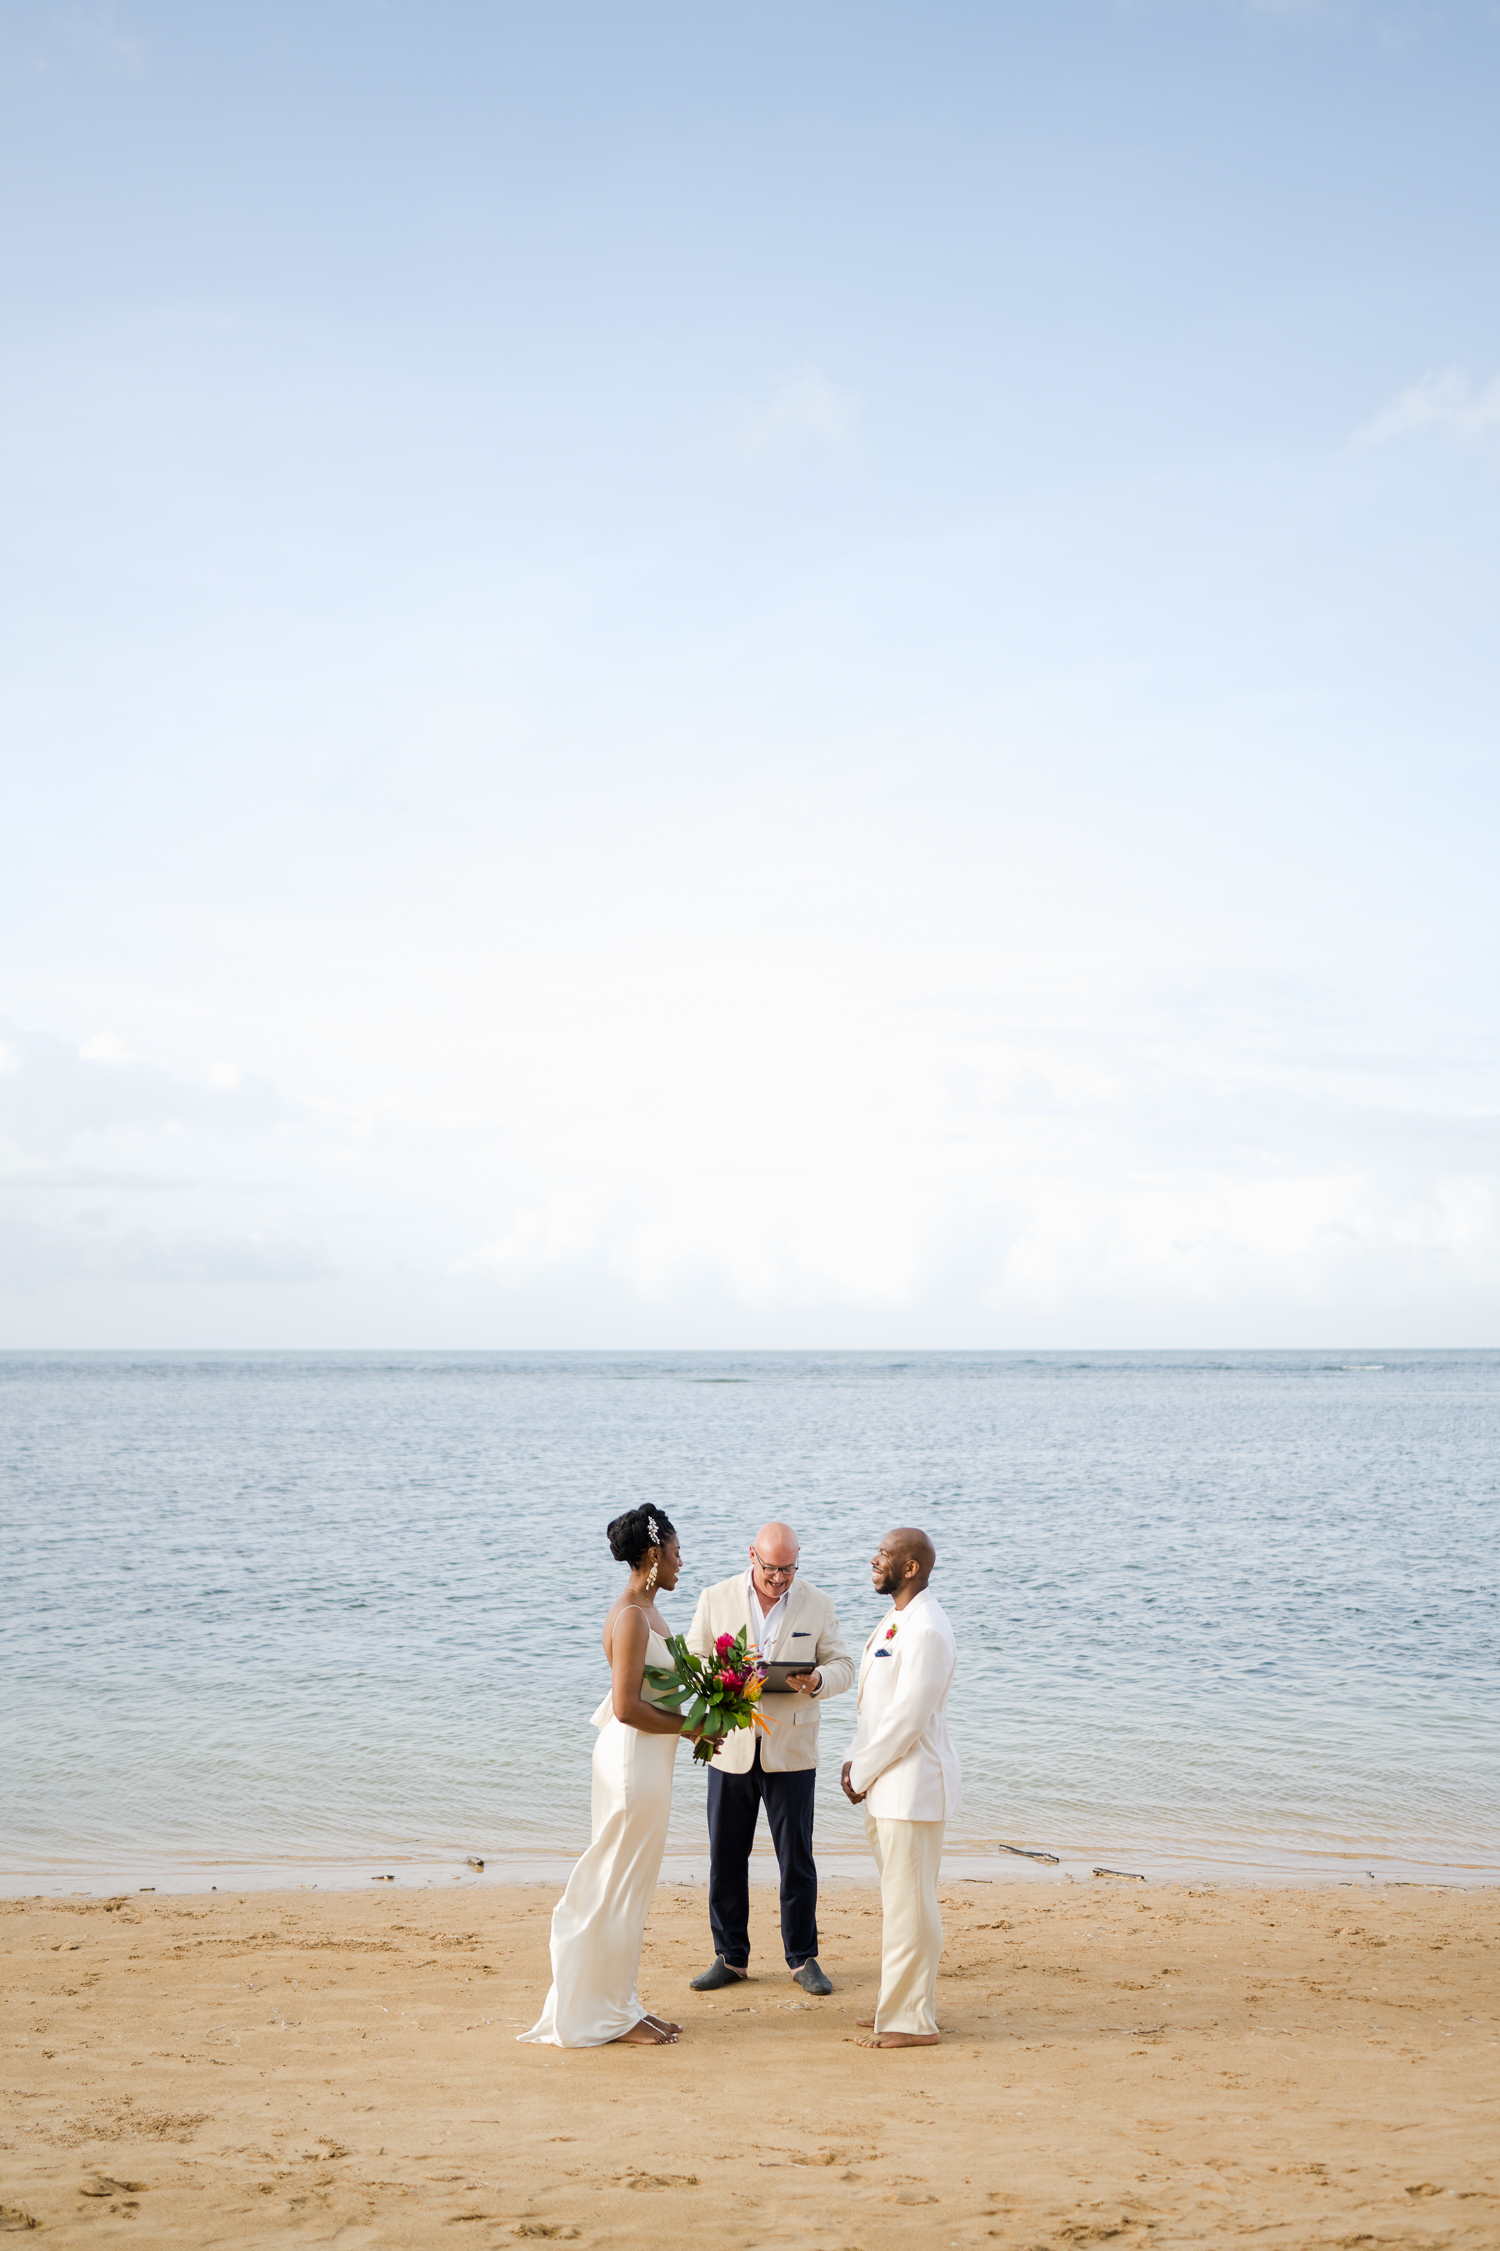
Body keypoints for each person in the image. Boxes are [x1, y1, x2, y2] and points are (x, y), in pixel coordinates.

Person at [518, 1507, 696, 2048]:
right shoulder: (632, 1618)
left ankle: (622, 2004)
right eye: (675, 1552)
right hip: (631, 1760)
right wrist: (692, 1728)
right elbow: (625, 1707)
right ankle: (605, 2014)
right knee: (617, 1882)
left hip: (649, 1758)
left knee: (631, 1886)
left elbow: (652, 1691)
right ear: (652, 1556)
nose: (681, 1562)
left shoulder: (647, 1610)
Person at [684, 1519, 855, 1996]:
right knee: (725, 1857)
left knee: (796, 1860)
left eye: (789, 1568)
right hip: (731, 1747)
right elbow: (693, 1660)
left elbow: (844, 1666)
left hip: (793, 1751)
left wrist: (816, 1681)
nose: (780, 1578)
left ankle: (803, 1960)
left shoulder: (817, 1602)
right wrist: (723, 1677)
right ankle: (730, 1957)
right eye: (771, 1568)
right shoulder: (714, 1598)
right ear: (751, 1556)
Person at [840, 1526, 960, 2049]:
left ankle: (912, 2022)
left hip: (911, 1788)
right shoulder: (897, 1619)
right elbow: (874, 1707)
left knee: (912, 1903)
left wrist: (861, 1772)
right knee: (900, 1901)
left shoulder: (928, 1628)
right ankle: (899, 2003)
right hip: (885, 1783)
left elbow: (908, 1719)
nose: (874, 1559)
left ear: (911, 1568)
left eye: (885, 1555)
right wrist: (853, 1759)